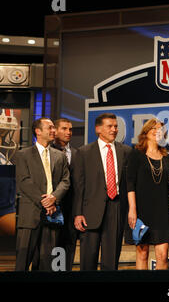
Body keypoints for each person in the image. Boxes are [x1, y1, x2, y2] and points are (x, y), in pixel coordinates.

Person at [73, 113, 132, 270]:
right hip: (89, 212)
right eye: (110, 126)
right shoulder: (84, 152)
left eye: (116, 126)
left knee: (111, 260)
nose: (114, 129)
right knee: (88, 260)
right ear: (98, 129)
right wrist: (78, 213)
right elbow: (79, 186)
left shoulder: (126, 151)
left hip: (116, 208)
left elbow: (129, 183)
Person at [15, 117, 70, 271]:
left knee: (48, 263)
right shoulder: (23, 155)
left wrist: (54, 198)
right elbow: (24, 181)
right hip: (30, 216)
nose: (54, 131)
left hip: (53, 216)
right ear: (38, 131)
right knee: (22, 262)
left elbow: (65, 181)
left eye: (54, 128)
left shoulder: (59, 155)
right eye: (50, 128)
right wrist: (44, 201)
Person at [127, 118, 169, 270]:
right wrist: (132, 209)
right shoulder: (136, 154)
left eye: (160, 129)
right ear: (145, 133)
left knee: (162, 255)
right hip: (141, 210)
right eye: (153, 128)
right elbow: (130, 183)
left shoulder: (167, 157)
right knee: (142, 253)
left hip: (161, 211)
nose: (156, 132)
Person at [50, 118, 79, 271]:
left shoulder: (77, 153)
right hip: (53, 207)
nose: (68, 132)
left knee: (69, 244)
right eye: (64, 129)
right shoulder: (47, 152)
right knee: (52, 245)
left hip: (72, 208)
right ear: (55, 130)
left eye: (70, 129)